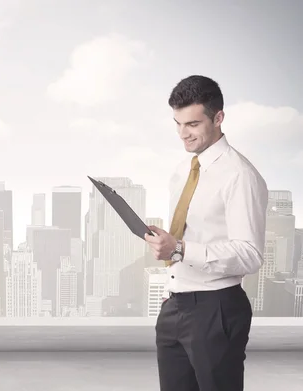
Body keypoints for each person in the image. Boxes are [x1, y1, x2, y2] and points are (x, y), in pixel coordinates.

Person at [144, 75, 268, 391]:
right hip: (175, 306)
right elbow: (190, 234)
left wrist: (181, 249)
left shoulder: (239, 175)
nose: (183, 134)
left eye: (193, 125)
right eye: (178, 124)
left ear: (218, 118)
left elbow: (250, 254)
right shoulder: (182, 170)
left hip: (217, 309)